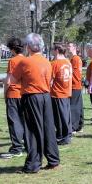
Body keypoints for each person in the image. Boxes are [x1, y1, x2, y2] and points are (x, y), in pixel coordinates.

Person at [10, 33, 60, 173]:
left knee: (32, 130)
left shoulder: (25, 62)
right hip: (45, 96)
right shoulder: (46, 62)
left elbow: (12, 81)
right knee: (48, 128)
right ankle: (53, 159)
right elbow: (50, 80)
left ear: (28, 47)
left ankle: (33, 164)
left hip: (32, 96)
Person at [0, 37, 26, 159]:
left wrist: (5, 93)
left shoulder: (13, 61)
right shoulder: (26, 60)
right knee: (24, 120)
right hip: (24, 94)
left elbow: (9, 80)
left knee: (14, 121)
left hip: (14, 93)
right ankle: (27, 144)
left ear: (12, 49)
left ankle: (16, 148)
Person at [50, 45, 73, 146]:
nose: (51, 51)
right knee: (65, 115)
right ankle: (62, 134)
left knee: (60, 116)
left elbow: (50, 80)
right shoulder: (68, 62)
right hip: (66, 91)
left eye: (52, 50)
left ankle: (65, 136)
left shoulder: (55, 63)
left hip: (57, 93)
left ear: (56, 51)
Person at [67, 43, 84, 134]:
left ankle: (74, 126)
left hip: (75, 85)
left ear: (74, 48)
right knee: (79, 106)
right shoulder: (73, 59)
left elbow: (72, 73)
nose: (67, 48)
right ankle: (80, 125)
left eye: (69, 46)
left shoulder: (75, 59)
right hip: (76, 85)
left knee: (74, 107)